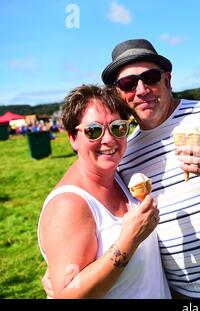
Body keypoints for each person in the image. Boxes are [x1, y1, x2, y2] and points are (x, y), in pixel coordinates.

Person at [44, 39, 200, 299]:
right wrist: (61, 270)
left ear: (167, 79)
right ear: (119, 93)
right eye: (128, 84)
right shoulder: (122, 152)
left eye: (150, 77)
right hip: (176, 292)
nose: (141, 90)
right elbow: (90, 217)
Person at [38, 84, 170, 299]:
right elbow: (67, 295)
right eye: (94, 130)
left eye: (118, 127)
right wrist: (130, 239)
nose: (109, 139)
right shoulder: (68, 205)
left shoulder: (119, 177)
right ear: (72, 138)